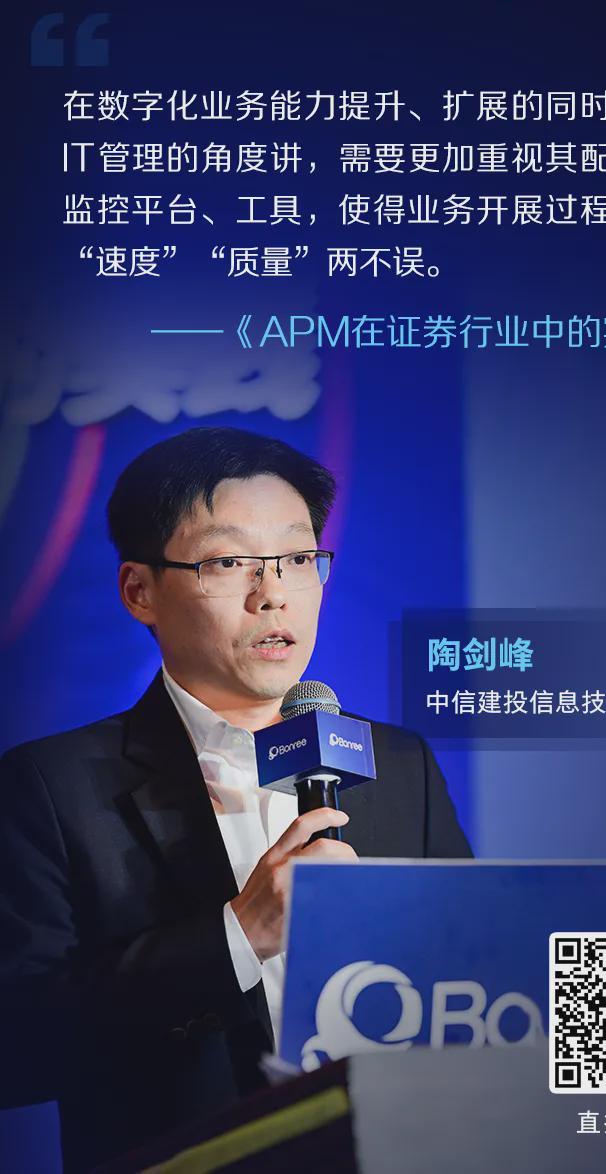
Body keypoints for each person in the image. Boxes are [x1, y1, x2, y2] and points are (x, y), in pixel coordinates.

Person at [0, 425, 472, 1173]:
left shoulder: (398, 762)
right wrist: (238, 935)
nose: (273, 593)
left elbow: (473, 978)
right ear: (140, 591)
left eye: (297, 558)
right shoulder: (50, 786)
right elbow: (19, 1049)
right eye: (228, 562)